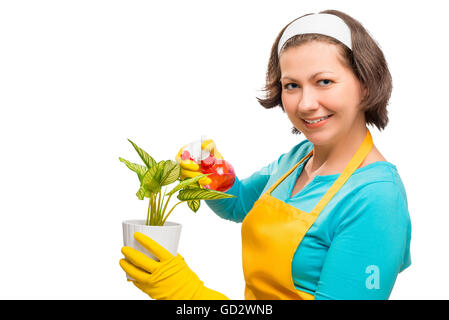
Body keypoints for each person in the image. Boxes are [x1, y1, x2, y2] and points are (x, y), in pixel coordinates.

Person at [119, 9, 411, 300]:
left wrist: (192, 297)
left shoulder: (376, 198)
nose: (306, 104)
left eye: (324, 81)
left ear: (366, 84)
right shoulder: (298, 159)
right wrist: (218, 179)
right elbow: (242, 204)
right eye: (292, 85)